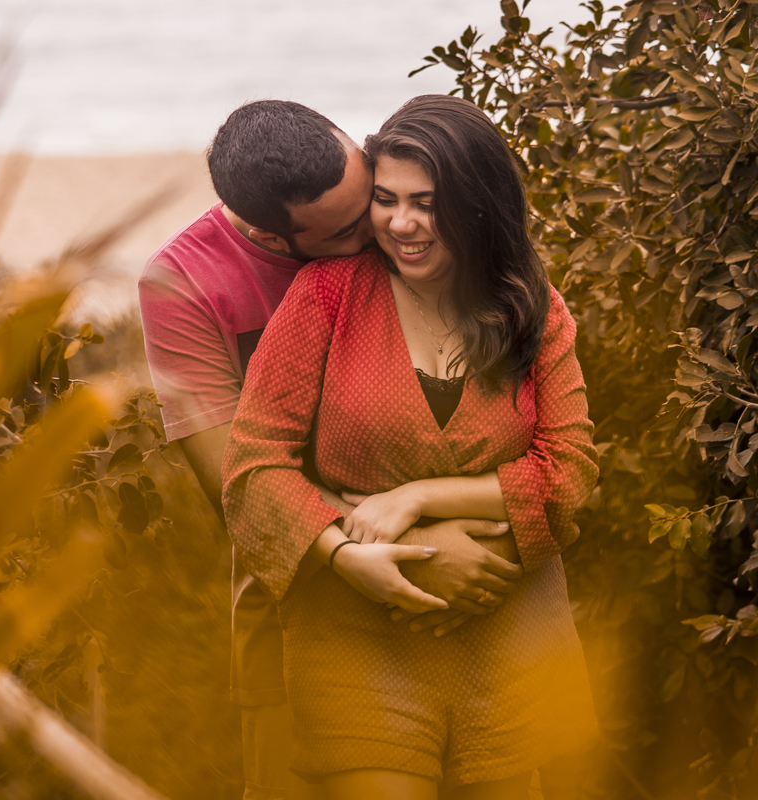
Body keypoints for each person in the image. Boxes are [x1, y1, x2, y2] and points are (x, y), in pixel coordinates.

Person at [138, 100, 525, 800]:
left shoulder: (391, 210)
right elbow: (236, 478)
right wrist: (404, 552)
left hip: (474, 593)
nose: (383, 231)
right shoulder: (185, 284)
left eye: (370, 191)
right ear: (270, 235)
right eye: (349, 228)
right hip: (303, 598)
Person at [221, 94, 599, 800]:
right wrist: (350, 556)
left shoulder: (532, 307)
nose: (401, 224)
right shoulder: (324, 296)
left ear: (476, 202)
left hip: (508, 631)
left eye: (427, 202)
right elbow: (253, 469)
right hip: (360, 638)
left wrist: (418, 500)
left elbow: (571, 472)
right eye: (387, 200)